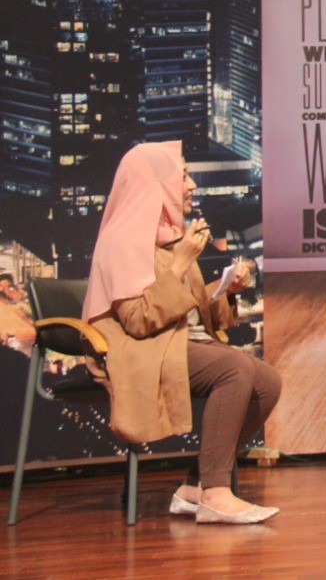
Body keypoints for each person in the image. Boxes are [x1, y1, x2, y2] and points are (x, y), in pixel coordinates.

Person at [82, 142, 282, 523]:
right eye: (183, 176)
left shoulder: (170, 236)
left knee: (268, 382)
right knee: (235, 369)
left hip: (179, 342)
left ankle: (195, 485)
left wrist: (226, 290)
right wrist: (179, 265)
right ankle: (217, 492)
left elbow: (193, 311)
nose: (191, 185)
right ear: (155, 186)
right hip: (143, 349)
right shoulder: (121, 239)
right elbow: (137, 320)